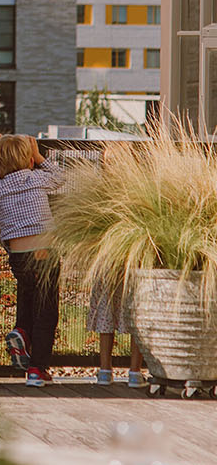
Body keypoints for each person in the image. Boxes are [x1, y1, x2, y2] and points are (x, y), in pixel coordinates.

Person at [0, 133, 64, 387]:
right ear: (30, 161)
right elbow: (60, 178)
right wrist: (40, 155)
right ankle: (37, 369)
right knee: (47, 311)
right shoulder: (36, 178)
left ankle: (21, 331)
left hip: (18, 257)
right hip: (45, 252)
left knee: (27, 295)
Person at [86, 144, 146, 388]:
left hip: (107, 258)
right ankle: (134, 371)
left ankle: (104, 370)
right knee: (135, 313)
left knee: (105, 313)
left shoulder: (99, 192)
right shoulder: (142, 191)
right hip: (133, 258)